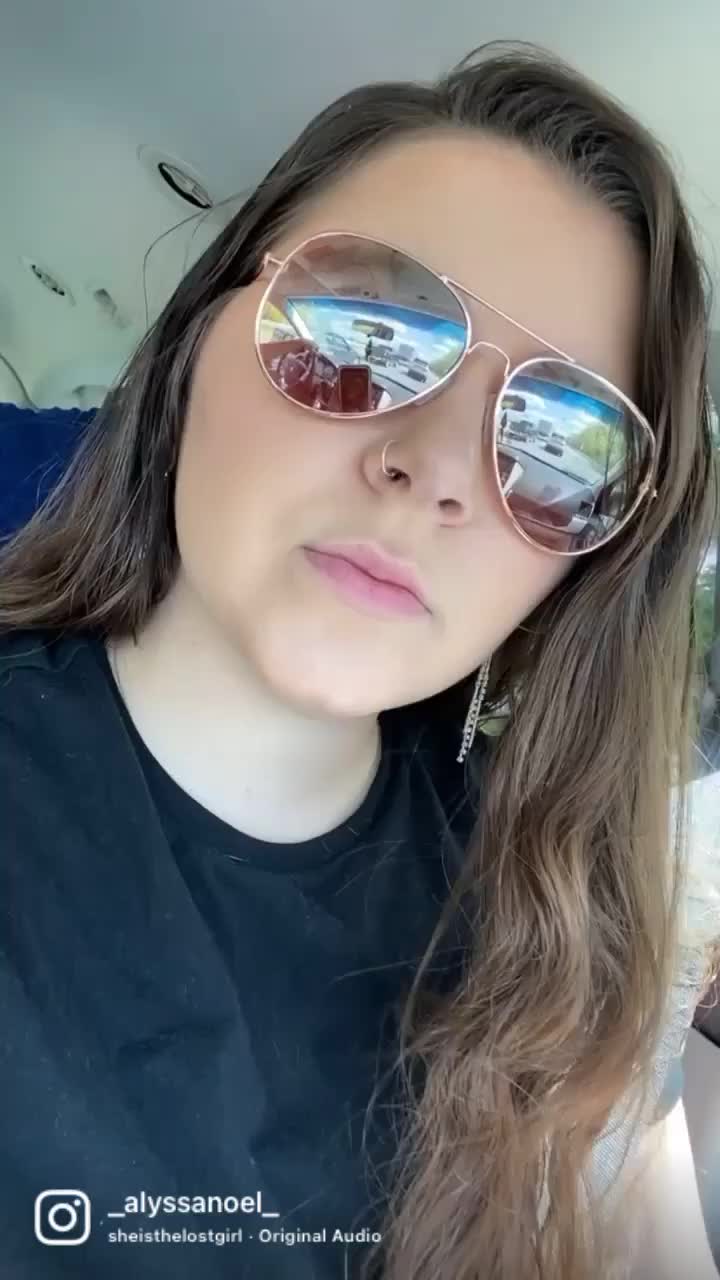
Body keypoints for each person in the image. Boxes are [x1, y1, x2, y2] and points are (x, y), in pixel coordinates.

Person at [1, 39, 718, 1280]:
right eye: (364, 328)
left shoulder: (536, 925)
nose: (436, 468)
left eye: (561, 439)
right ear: (197, 337)